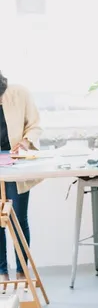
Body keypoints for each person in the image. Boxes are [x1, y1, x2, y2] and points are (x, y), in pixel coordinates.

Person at [0, 71, 41, 281]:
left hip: (15, 165)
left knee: (17, 217)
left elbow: (34, 125)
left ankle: (22, 271)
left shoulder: (19, 93)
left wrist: (25, 142)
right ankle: (2, 273)